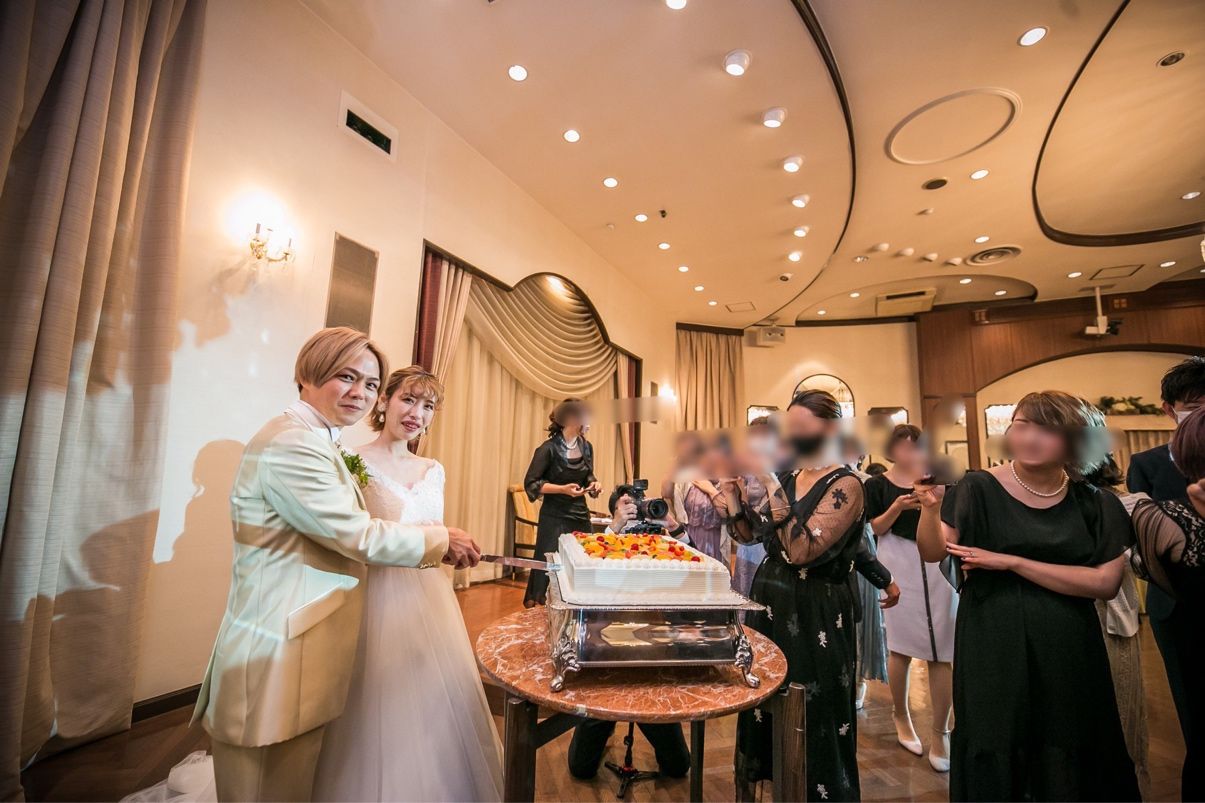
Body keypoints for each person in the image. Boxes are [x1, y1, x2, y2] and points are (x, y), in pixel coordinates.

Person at [191, 328, 481, 802]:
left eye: (370, 383)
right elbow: (356, 534)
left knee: (294, 778)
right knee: (268, 786)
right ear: (309, 373)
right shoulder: (294, 443)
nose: (359, 393)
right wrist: (442, 540)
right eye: (347, 377)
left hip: (321, 628)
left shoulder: (318, 440)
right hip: (279, 643)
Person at [915, 390, 1139, 801]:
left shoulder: (1096, 502)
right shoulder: (977, 487)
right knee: (995, 733)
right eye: (1022, 426)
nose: (1030, 438)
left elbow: (1104, 583)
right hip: (991, 638)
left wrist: (1013, 563)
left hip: (1068, 642)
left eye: (1047, 430)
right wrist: (930, 511)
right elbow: (933, 552)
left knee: (1069, 734)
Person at [313, 366, 503, 801]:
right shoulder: (350, 460)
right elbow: (352, 536)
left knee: (434, 695)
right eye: (408, 400)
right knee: (376, 697)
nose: (417, 413)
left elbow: (431, 533)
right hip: (373, 596)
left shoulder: (434, 469)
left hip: (431, 598)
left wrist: (449, 551)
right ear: (384, 401)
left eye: (428, 406)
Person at [723, 389, 887, 802]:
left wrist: (767, 481)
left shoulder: (846, 484)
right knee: (767, 707)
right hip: (771, 604)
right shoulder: (792, 478)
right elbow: (751, 537)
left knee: (815, 709)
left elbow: (802, 550)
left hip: (817, 612)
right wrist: (733, 500)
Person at [565, 487, 692, 782]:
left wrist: (672, 525)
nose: (635, 508)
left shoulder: (660, 539)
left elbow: (695, 557)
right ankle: (604, 725)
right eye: (626, 503)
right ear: (613, 510)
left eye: (639, 503)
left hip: (651, 659)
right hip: (605, 660)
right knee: (581, 768)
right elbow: (589, 567)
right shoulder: (602, 539)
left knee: (679, 766)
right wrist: (616, 527)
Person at [865, 424, 957, 771]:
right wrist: (898, 507)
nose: (909, 453)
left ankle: (940, 730)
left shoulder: (939, 478)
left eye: (915, 446)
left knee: (942, 648)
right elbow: (873, 529)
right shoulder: (878, 485)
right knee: (900, 645)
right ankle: (901, 715)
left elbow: (954, 519)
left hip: (938, 560)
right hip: (896, 559)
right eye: (902, 447)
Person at [1126, 355, 1204, 748]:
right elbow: (1142, 543)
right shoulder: (1148, 463)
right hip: (1174, 601)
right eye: (1194, 405)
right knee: (1192, 709)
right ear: (1169, 410)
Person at [1083, 454, 1151, 800]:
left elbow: (1142, 565)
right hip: (1066, 618)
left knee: (1123, 716)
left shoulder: (1127, 505)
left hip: (1110, 618)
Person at [523, 398, 601, 606]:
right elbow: (531, 484)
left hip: (580, 513)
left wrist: (594, 484)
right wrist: (562, 489)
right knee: (547, 562)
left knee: (585, 558)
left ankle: (581, 605)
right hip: (554, 515)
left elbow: (588, 476)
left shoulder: (587, 447)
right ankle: (537, 605)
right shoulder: (547, 449)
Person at [681, 433, 738, 569]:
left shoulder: (729, 481)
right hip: (690, 539)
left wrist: (711, 491)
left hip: (716, 543)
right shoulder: (689, 480)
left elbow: (727, 513)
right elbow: (669, 498)